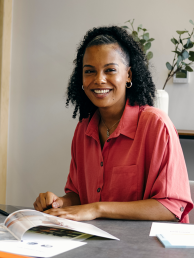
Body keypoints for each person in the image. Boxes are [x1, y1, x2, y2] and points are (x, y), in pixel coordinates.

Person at [34, 26, 193, 223]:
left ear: (128, 75)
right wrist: (58, 202)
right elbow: (78, 197)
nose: (99, 79)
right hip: (97, 243)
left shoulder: (157, 126)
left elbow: (171, 207)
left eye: (110, 70)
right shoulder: (83, 130)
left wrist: (97, 209)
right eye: (90, 71)